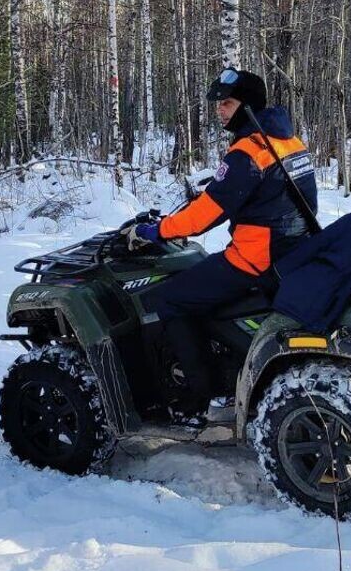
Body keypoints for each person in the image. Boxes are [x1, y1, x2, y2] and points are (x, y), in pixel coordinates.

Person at [127, 69, 317, 415]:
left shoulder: (247, 152)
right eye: (218, 104)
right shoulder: (290, 141)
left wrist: (158, 230)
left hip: (255, 259)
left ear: (247, 106)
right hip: (294, 250)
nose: (220, 110)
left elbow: (204, 217)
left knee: (169, 298)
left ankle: (197, 394)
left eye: (227, 103)